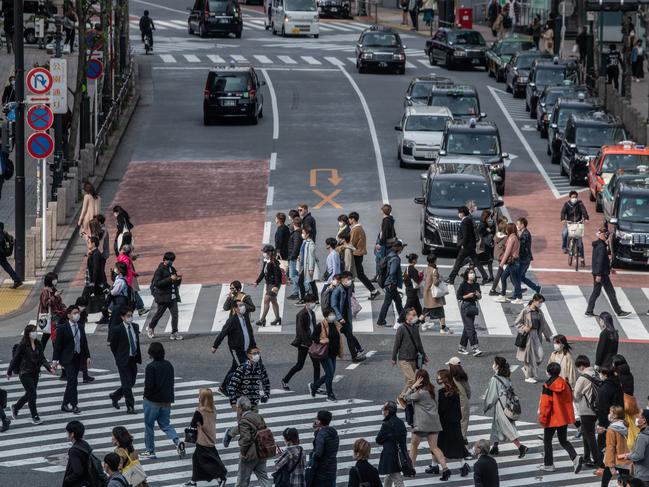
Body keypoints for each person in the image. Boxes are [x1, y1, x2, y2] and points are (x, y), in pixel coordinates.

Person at [142, 342, 186, 460]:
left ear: (151, 353)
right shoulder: (168, 365)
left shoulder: (151, 367)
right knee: (166, 425)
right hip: (166, 401)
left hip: (152, 402)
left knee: (149, 426)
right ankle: (177, 441)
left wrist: (145, 396)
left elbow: (149, 386)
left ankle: (150, 451)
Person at [538, 362, 584, 473]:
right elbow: (569, 401)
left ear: (548, 372)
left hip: (552, 419)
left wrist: (542, 419)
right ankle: (575, 457)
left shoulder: (547, 386)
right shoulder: (565, 383)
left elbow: (545, 405)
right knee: (563, 440)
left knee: (547, 441)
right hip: (563, 417)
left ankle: (549, 464)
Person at [404, 369, 450, 479]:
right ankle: (445, 468)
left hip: (422, 424)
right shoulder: (432, 390)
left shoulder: (419, 393)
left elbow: (405, 397)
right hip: (434, 423)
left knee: (414, 446)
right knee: (434, 447)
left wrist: (413, 386)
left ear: (419, 380)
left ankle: (411, 469)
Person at [7, 324, 55, 424]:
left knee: (29, 394)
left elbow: (42, 358)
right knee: (33, 394)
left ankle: (16, 407)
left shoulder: (38, 343)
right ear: (28, 333)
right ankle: (35, 416)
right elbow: (15, 358)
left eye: (35, 331)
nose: (35, 333)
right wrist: (9, 372)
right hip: (25, 372)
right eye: (32, 331)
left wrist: (49, 368)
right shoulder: (23, 345)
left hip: (35, 372)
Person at [483, 357, 528, 458]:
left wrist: (487, 406)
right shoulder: (506, 376)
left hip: (501, 406)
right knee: (496, 426)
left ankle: (521, 447)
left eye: (494, 363)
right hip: (507, 404)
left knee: (506, 427)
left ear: (497, 366)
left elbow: (492, 395)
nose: (493, 365)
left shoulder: (495, 379)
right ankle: (495, 447)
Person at [212, 297, 257, 395]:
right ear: (235, 309)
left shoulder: (245, 317)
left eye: (243, 305)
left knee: (235, 368)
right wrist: (215, 346)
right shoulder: (232, 320)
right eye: (240, 305)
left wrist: (254, 345)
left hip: (245, 349)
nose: (243, 307)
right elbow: (223, 333)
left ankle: (223, 388)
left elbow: (249, 332)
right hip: (236, 349)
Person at [52, 305, 91, 414]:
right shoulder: (62, 328)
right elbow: (58, 346)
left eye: (77, 312)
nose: (77, 315)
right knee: (73, 381)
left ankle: (64, 404)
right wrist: (55, 360)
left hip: (78, 357)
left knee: (71, 382)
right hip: (67, 358)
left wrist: (87, 356)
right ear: (69, 315)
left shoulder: (80, 326)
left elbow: (84, 343)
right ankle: (74, 405)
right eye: (74, 313)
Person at [185, 389, 227, 487]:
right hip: (210, 437)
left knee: (207, 462)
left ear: (202, 398)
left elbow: (193, 424)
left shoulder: (200, 411)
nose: (198, 396)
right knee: (196, 458)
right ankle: (193, 481)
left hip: (202, 440)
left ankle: (221, 478)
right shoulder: (213, 409)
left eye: (199, 395)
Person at [585, 228, 631, 318]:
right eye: (606, 235)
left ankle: (589, 311)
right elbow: (599, 261)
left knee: (596, 292)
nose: (607, 237)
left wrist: (609, 268)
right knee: (611, 292)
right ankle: (619, 312)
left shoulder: (598, 245)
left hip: (598, 272)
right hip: (601, 274)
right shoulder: (602, 247)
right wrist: (599, 274)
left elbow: (603, 261)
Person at [281, 293, 321, 390]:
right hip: (304, 344)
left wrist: (316, 340)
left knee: (316, 365)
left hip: (311, 342)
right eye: (312, 302)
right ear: (306, 303)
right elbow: (301, 331)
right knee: (299, 365)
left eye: (314, 302)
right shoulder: (301, 314)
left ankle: (316, 385)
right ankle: (285, 380)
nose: (314, 304)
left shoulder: (312, 313)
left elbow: (313, 327)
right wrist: (309, 344)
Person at [436, 369, 470, 476]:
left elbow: (442, 409)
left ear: (444, 379)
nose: (437, 379)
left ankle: (439, 466)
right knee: (454, 444)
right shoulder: (455, 390)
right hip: (454, 421)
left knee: (439, 444)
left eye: (439, 377)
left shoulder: (442, 393)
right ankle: (463, 464)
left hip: (445, 423)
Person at [392, 307, 428, 407]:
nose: (415, 316)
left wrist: (424, 355)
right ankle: (401, 397)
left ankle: (405, 399)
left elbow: (419, 343)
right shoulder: (401, 328)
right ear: (407, 316)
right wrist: (394, 358)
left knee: (409, 381)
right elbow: (396, 344)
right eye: (413, 314)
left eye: (415, 314)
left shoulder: (415, 328)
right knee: (413, 380)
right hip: (404, 359)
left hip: (413, 358)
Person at [109, 307, 141, 414]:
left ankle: (115, 395)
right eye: (128, 316)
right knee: (127, 384)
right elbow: (113, 346)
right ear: (122, 317)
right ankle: (130, 406)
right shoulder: (117, 329)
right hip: (123, 360)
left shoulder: (135, 327)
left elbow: (136, 342)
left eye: (131, 315)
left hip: (133, 358)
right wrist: (118, 357)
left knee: (131, 382)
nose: (130, 318)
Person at [515, 293, 553, 383]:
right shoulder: (525, 311)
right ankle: (528, 376)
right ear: (534, 301)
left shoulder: (539, 311)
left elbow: (543, 324)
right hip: (528, 335)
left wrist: (547, 336)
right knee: (529, 356)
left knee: (540, 356)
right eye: (540, 302)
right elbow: (517, 322)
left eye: (541, 302)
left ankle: (527, 369)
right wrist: (524, 328)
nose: (540, 304)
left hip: (536, 334)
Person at [573, 355, 603, 469]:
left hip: (586, 409)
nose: (578, 370)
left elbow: (576, 395)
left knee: (589, 435)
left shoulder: (582, 378)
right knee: (586, 433)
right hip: (596, 408)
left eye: (578, 367)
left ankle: (597, 460)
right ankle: (586, 457)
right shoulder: (596, 373)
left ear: (581, 366)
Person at [446, 206, 488, 285]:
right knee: (477, 262)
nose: (458, 214)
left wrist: (462, 245)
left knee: (458, 262)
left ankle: (451, 278)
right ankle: (485, 277)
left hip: (466, 247)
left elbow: (466, 235)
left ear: (462, 213)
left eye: (459, 213)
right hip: (471, 246)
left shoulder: (464, 222)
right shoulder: (468, 221)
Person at [236, 396, 272, 487]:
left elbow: (246, 439)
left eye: (237, 408)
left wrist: (243, 453)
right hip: (262, 451)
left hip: (250, 455)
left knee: (242, 481)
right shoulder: (258, 416)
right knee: (263, 477)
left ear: (241, 408)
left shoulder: (244, 421)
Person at [309, 308, 342, 402]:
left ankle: (314, 386)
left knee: (330, 374)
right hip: (324, 353)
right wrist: (321, 340)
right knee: (330, 374)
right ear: (326, 316)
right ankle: (330, 394)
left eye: (333, 314)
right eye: (331, 314)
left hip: (333, 353)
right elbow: (313, 337)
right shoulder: (321, 325)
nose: (333, 316)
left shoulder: (335, 324)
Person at [148, 252, 184, 340]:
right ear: (164, 259)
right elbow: (157, 283)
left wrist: (178, 279)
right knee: (159, 314)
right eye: (169, 260)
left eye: (172, 260)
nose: (171, 262)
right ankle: (151, 327)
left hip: (172, 296)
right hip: (163, 297)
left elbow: (175, 282)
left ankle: (174, 332)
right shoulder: (159, 270)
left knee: (175, 315)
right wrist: (169, 279)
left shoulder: (172, 269)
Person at [331, 271, 365, 362]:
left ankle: (354, 356)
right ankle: (329, 354)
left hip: (347, 317)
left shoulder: (349, 287)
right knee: (334, 337)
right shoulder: (337, 290)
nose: (350, 281)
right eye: (348, 279)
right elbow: (333, 305)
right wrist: (339, 317)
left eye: (351, 279)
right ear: (342, 279)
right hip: (340, 318)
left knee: (349, 336)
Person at [226, 346, 271, 413]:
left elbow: (266, 382)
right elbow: (232, 386)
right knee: (244, 423)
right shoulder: (242, 368)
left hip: (254, 403)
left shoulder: (261, 367)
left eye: (258, 353)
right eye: (254, 353)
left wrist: (267, 395)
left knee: (254, 422)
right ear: (248, 355)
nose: (257, 355)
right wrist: (233, 402)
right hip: (243, 404)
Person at [376, 401, 408, 487]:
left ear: (388, 411)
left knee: (397, 479)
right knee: (389, 475)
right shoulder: (400, 422)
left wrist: (387, 437)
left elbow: (378, 440)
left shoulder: (387, 424)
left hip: (390, 455)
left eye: (384, 409)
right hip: (400, 454)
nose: (383, 411)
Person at [349, 212, 380, 299]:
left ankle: (373, 291)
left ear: (353, 219)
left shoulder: (356, 229)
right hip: (358, 254)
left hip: (356, 254)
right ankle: (353, 294)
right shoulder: (358, 228)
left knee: (357, 274)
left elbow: (352, 243)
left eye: (349, 219)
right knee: (356, 274)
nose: (349, 221)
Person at [597, 405, 631, 483]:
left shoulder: (611, 429)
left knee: (604, 484)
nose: (609, 414)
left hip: (615, 460)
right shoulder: (627, 425)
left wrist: (610, 465)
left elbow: (610, 447)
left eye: (610, 412)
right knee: (626, 483)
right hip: (626, 460)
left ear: (615, 415)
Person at [377, 240, 406, 328]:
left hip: (388, 283)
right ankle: (381, 320)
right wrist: (393, 281)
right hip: (391, 284)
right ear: (399, 249)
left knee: (398, 301)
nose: (402, 250)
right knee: (388, 302)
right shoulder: (395, 259)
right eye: (401, 248)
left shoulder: (389, 255)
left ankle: (402, 319)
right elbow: (392, 272)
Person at [457, 267, 483, 357]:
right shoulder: (463, 285)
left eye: (473, 273)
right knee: (471, 328)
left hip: (473, 306)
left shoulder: (476, 285)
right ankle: (475, 347)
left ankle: (461, 347)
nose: (472, 274)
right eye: (470, 273)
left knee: (467, 327)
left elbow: (479, 297)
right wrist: (467, 295)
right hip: (465, 306)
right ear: (467, 275)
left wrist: (478, 295)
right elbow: (459, 296)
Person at [37, 272, 67, 352]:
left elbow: (58, 302)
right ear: (49, 280)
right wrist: (55, 296)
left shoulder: (53, 289)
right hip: (49, 317)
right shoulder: (45, 291)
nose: (55, 281)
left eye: (56, 279)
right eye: (54, 279)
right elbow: (45, 304)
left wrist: (64, 308)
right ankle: (54, 357)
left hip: (55, 317)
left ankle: (41, 354)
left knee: (50, 337)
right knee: (52, 337)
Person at [254, 244, 282, 327]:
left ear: (270, 253)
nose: (264, 254)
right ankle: (277, 318)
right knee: (273, 301)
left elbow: (278, 276)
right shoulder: (266, 261)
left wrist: (276, 286)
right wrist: (257, 282)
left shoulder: (274, 263)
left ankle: (262, 320)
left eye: (265, 252)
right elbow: (263, 273)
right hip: (269, 284)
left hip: (274, 285)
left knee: (266, 300)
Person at [495, 222, 523, 304]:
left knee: (515, 280)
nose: (506, 230)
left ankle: (519, 298)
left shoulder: (511, 238)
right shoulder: (514, 237)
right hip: (514, 261)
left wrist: (502, 263)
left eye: (507, 228)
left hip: (513, 262)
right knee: (504, 277)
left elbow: (507, 252)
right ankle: (503, 295)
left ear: (510, 229)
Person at [117, 245, 149, 317]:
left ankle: (140, 308)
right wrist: (135, 274)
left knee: (133, 293)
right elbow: (128, 270)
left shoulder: (122, 257)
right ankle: (140, 308)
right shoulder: (126, 259)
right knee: (133, 293)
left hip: (127, 278)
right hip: (128, 279)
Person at [422, 253, 450, 333]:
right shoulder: (434, 270)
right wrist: (440, 280)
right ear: (435, 260)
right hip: (433, 295)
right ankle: (443, 328)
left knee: (425, 311)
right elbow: (435, 283)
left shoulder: (426, 269)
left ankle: (417, 324)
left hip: (427, 293)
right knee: (441, 311)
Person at [84, 236, 109, 325]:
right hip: (93, 281)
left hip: (95, 282)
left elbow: (96, 269)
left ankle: (84, 316)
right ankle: (84, 316)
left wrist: (93, 282)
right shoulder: (94, 253)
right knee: (98, 299)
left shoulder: (96, 254)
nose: (88, 244)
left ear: (93, 243)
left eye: (89, 242)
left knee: (89, 298)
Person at [311, 410, 340, 487]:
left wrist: (313, 459)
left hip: (322, 472)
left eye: (317, 419)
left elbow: (318, 453)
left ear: (319, 422)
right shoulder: (334, 433)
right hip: (332, 469)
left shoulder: (321, 434)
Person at [621, 409, 649, 485]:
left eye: (638, 417)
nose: (636, 419)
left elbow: (638, 456)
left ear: (644, 421)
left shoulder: (642, 437)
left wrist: (628, 456)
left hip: (644, 475)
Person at [63, 420, 93, 487]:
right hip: (86, 481)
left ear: (72, 434)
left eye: (68, 432)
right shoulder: (85, 444)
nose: (67, 434)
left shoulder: (73, 451)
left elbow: (78, 472)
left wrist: (67, 479)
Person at [448, 357, 471, 442]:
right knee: (463, 422)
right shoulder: (463, 376)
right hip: (464, 403)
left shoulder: (449, 377)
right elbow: (468, 391)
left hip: (453, 403)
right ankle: (463, 439)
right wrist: (465, 398)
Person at [560, 190, 589, 261]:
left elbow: (584, 210)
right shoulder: (567, 204)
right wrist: (563, 219)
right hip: (569, 223)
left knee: (580, 242)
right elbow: (563, 212)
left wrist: (586, 218)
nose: (574, 198)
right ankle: (564, 247)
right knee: (564, 234)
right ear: (570, 197)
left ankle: (582, 258)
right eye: (573, 197)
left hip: (578, 223)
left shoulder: (580, 203)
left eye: (575, 197)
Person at [517, 217, 541, 295]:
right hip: (525, 258)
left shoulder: (525, 234)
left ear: (523, 225)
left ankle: (517, 293)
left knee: (518, 276)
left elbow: (522, 246)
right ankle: (536, 288)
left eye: (518, 224)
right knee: (521, 277)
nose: (517, 226)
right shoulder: (524, 233)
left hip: (524, 259)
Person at [108, 262, 132, 337]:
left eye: (116, 268)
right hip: (119, 302)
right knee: (118, 320)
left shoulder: (121, 281)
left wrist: (109, 291)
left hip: (119, 303)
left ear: (120, 270)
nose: (115, 269)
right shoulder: (119, 278)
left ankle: (112, 337)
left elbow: (114, 292)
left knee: (114, 321)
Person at [488, 217, 509, 296]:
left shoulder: (497, 235)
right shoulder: (505, 237)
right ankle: (496, 290)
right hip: (502, 256)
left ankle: (495, 290)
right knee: (503, 274)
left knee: (501, 273)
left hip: (497, 255)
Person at [297, 228, 318, 303]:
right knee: (310, 282)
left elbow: (312, 257)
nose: (302, 234)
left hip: (308, 267)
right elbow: (303, 252)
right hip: (304, 266)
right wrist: (300, 257)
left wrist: (311, 269)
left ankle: (303, 299)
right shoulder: (305, 242)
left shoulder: (311, 244)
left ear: (308, 234)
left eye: (303, 233)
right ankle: (315, 299)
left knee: (304, 282)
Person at [286, 216, 303, 300]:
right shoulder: (299, 232)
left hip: (294, 258)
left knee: (293, 275)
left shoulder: (296, 234)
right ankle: (295, 292)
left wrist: (292, 257)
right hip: (295, 257)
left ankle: (305, 287)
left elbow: (296, 246)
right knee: (295, 274)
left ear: (294, 224)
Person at [402, 253, 423, 320]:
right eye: (416, 259)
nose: (417, 260)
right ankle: (399, 321)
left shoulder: (408, 268)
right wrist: (421, 275)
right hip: (412, 291)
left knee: (418, 308)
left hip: (409, 289)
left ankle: (423, 322)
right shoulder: (413, 269)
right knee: (407, 307)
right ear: (414, 260)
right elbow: (417, 281)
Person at [477, 210, 495, 283]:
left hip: (488, 245)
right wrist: (487, 231)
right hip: (484, 245)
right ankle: (486, 276)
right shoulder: (482, 224)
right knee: (478, 261)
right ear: (486, 217)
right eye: (489, 216)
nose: (490, 218)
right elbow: (480, 234)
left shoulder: (489, 223)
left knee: (489, 261)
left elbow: (493, 231)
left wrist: (490, 230)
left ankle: (491, 276)